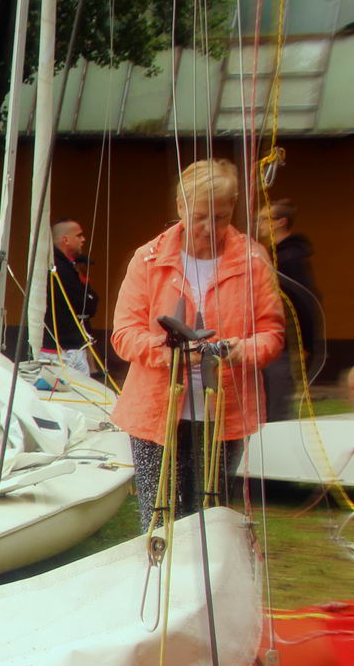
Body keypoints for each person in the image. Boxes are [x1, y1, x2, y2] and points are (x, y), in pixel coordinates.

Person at [109, 159, 283, 530]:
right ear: (180, 206)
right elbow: (124, 334)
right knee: (159, 521)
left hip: (225, 415)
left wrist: (243, 350)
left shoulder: (253, 259)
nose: (209, 228)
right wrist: (165, 351)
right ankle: (159, 569)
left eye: (220, 217)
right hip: (154, 413)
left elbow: (272, 333)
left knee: (210, 519)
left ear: (233, 208)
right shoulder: (148, 259)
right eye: (200, 216)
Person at [258, 198, 325, 421]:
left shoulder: (290, 258)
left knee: (277, 409)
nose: (259, 224)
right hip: (271, 342)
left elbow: (305, 300)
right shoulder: (273, 255)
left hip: (285, 344)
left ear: (280, 222)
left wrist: (304, 343)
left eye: (264, 219)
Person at [41, 218, 99, 375]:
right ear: (65, 239)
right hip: (64, 350)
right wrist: (90, 294)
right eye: (79, 235)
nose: (83, 239)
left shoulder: (59, 264)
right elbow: (86, 306)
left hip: (60, 346)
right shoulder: (59, 268)